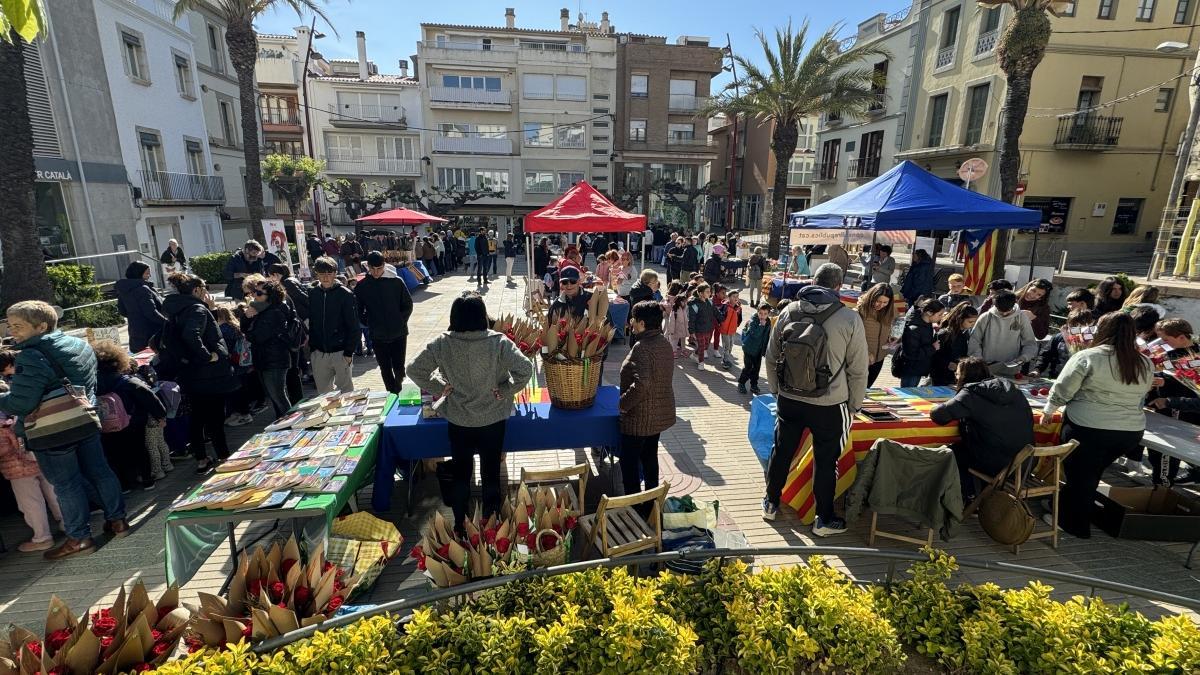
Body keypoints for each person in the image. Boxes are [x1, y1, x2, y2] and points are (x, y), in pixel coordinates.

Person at [0, 300, 127, 559]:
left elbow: (21, 403)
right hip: (84, 418)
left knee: (66, 485)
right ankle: (118, 521)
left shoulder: (31, 356)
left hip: (52, 430)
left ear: (42, 325)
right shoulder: (79, 344)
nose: (12, 331)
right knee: (100, 472)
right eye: (9, 325)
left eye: (18, 326)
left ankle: (79, 538)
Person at [407, 293, 533, 530]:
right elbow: (525, 370)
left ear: (454, 317)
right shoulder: (499, 342)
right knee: (491, 471)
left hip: (459, 419)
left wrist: (441, 388)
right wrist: (506, 389)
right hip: (493, 418)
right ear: (482, 316)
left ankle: (460, 523)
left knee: (462, 473)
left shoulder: (443, 343)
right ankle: (492, 522)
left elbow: (414, 369)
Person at [763, 264, 868, 534]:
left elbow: (772, 356)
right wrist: (855, 405)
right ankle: (823, 518)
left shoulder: (789, 311)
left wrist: (777, 391)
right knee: (826, 459)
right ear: (838, 286)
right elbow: (858, 369)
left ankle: (771, 503)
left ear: (813, 281)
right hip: (829, 403)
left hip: (789, 398)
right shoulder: (848, 318)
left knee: (782, 450)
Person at [1042, 312, 1152, 538]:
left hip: (1089, 426)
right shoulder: (1144, 361)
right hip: (1129, 431)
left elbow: (1063, 389)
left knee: (1080, 477)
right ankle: (1067, 508)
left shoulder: (1089, 356)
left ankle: (1072, 524)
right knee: (1089, 475)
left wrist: (1049, 410)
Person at [160, 273, 237, 474]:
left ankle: (202, 459)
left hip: (189, 372)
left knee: (197, 418)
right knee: (215, 418)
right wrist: (207, 356)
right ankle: (223, 456)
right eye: (204, 288)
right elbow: (191, 334)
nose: (207, 293)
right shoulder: (196, 309)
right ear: (196, 290)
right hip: (208, 374)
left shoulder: (176, 309)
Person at [930, 356, 1034, 502]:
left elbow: (938, 415)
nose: (956, 377)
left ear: (965, 376)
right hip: (1024, 461)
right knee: (976, 446)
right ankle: (981, 494)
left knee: (950, 453)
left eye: (957, 374)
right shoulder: (1013, 390)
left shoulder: (970, 393)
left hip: (996, 463)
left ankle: (968, 496)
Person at [0, 350, 64, 553]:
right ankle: (69, 525)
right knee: (53, 490)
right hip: (37, 445)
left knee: (30, 500)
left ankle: (42, 537)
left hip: (15, 460)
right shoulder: (27, 383)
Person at [617, 301, 676, 507]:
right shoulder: (664, 342)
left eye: (633, 319)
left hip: (639, 418)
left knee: (629, 464)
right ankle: (652, 504)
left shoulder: (642, 347)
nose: (631, 323)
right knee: (650, 458)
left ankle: (635, 506)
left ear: (641, 323)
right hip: (658, 415)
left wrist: (623, 404)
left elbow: (642, 383)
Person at [94, 340, 166, 492]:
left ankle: (125, 484)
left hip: (107, 425)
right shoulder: (127, 381)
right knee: (140, 449)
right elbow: (149, 398)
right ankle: (147, 480)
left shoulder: (94, 385)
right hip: (133, 422)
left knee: (116, 454)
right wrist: (160, 415)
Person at [1145, 318, 1198, 485]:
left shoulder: (1195, 356)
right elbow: (1168, 373)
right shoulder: (1169, 352)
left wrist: (1167, 383)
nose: (1163, 343)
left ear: (1182, 337)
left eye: (1166, 340)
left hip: (1180, 408)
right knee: (1158, 450)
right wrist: (1159, 379)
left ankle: (1162, 484)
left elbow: (1190, 384)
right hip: (1165, 405)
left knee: (1168, 451)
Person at [355, 251, 414, 394]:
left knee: (399, 367)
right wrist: (369, 322)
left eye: (379, 268)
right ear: (367, 267)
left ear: (384, 266)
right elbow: (357, 309)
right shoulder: (362, 286)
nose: (376, 272)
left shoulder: (395, 281)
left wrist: (400, 321)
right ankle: (391, 394)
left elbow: (407, 305)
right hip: (377, 334)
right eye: (372, 269)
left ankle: (401, 393)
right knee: (385, 368)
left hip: (399, 333)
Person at [243, 280, 295, 419]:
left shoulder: (274, 312)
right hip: (265, 359)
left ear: (270, 296)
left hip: (274, 360)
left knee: (279, 396)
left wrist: (249, 332)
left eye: (259, 293)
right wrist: (247, 318)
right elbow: (245, 328)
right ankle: (284, 423)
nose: (255, 295)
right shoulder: (260, 309)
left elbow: (258, 337)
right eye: (254, 292)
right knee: (275, 396)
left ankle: (291, 424)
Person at [308, 257, 359, 394]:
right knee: (324, 395)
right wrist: (313, 349)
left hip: (340, 352)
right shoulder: (313, 294)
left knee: (346, 392)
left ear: (335, 273)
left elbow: (353, 325)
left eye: (329, 273)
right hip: (319, 353)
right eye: (322, 273)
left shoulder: (345, 294)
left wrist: (348, 352)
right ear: (316, 274)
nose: (325, 277)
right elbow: (312, 322)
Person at [968, 290, 1038, 376]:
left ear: (1014, 304)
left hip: (1011, 368)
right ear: (994, 305)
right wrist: (979, 360)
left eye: (1007, 311)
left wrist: (1023, 358)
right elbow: (974, 340)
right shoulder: (986, 317)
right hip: (986, 367)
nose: (1004, 313)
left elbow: (1030, 343)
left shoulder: (1021, 318)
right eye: (1001, 311)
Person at [115, 261, 166, 353]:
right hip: (151, 332)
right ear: (138, 273)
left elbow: (122, 311)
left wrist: (135, 315)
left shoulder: (124, 290)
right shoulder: (143, 289)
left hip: (135, 331)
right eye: (147, 273)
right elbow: (151, 313)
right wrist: (167, 323)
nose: (149, 276)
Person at [894, 299, 945, 388]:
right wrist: (933, 348)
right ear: (929, 313)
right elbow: (911, 353)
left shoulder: (927, 323)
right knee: (908, 392)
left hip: (918, 368)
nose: (941, 317)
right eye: (939, 315)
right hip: (911, 369)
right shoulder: (914, 329)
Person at [855, 283, 898, 389]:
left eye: (885, 302)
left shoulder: (890, 311)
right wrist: (867, 353)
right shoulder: (860, 311)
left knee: (867, 389)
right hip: (861, 358)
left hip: (879, 358)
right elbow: (853, 338)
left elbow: (893, 327)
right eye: (878, 301)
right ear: (871, 297)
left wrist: (892, 338)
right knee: (857, 389)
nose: (881, 305)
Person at [1031, 310, 1094, 379]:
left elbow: (1079, 356)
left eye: (1081, 327)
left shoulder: (1093, 340)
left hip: (1080, 379)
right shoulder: (1059, 337)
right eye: (1073, 326)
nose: (1076, 330)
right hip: (1057, 376)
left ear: (1089, 325)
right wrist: (1037, 370)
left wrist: (1067, 339)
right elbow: (1045, 355)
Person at [931, 303, 979, 386]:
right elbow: (933, 354)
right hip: (941, 376)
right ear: (960, 319)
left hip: (956, 374)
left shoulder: (964, 334)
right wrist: (947, 363)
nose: (973, 324)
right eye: (970, 321)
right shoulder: (944, 334)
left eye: (975, 322)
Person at [738, 302, 772, 395]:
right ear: (757, 312)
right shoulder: (754, 320)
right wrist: (761, 325)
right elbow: (755, 334)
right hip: (749, 348)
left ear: (768, 313)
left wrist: (765, 350)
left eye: (765, 314)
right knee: (748, 367)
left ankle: (754, 385)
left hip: (758, 350)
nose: (762, 316)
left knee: (756, 368)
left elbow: (766, 337)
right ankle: (741, 383)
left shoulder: (768, 322)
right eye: (760, 313)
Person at [687, 283, 718, 372]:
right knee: (701, 346)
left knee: (705, 345)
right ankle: (701, 363)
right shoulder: (694, 305)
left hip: (708, 328)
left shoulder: (710, 302)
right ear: (700, 293)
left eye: (710, 291)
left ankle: (694, 355)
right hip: (699, 330)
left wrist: (721, 319)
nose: (710, 293)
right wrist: (691, 331)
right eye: (707, 292)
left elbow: (715, 312)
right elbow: (692, 319)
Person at [663, 281, 690, 357]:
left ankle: (680, 349)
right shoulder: (673, 299)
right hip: (672, 320)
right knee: (672, 335)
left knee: (680, 335)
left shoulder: (677, 298)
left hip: (679, 320)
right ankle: (672, 350)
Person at [717, 290, 742, 370]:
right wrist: (721, 324)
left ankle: (726, 358)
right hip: (725, 330)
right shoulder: (725, 306)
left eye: (737, 296)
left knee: (731, 345)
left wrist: (737, 325)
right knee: (726, 346)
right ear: (729, 297)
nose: (736, 298)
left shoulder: (738, 308)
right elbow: (720, 316)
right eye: (734, 296)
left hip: (732, 330)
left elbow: (739, 318)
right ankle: (725, 360)